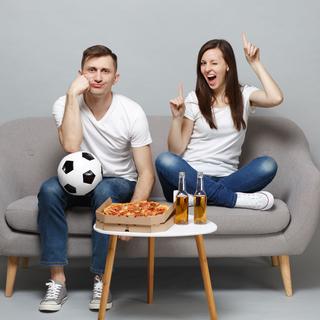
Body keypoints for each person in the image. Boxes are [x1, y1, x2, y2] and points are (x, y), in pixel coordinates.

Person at [37, 45, 155, 312]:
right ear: (81, 74)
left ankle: (102, 279)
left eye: (105, 71)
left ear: (116, 77)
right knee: (48, 191)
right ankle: (57, 280)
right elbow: (71, 145)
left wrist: (132, 216)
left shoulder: (132, 111)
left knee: (104, 191)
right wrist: (71, 95)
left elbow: (147, 172)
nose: (98, 77)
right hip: (76, 182)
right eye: (92, 70)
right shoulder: (65, 103)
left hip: (118, 180)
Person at [156, 33, 283, 210]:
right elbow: (176, 151)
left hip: (227, 178)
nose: (207, 68)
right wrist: (177, 119)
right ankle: (233, 200)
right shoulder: (194, 99)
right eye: (203, 63)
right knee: (165, 160)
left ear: (228, 66)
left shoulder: (244, 95)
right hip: (191, 178)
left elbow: (275, 98)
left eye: (214, 63)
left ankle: (197, 198)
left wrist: (255, 63)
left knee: (267, 165)